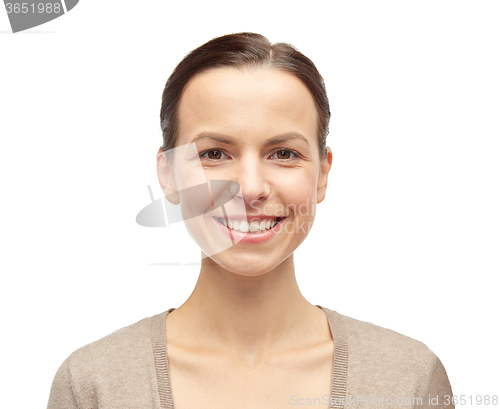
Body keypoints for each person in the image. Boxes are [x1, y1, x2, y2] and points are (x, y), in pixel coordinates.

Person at [47, 32, 454, 409]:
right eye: (214, 154)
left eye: (283, 153)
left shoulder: (409, 379)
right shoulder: (91, 384)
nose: (250, 188)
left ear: (322, 175)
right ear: (169, 175)